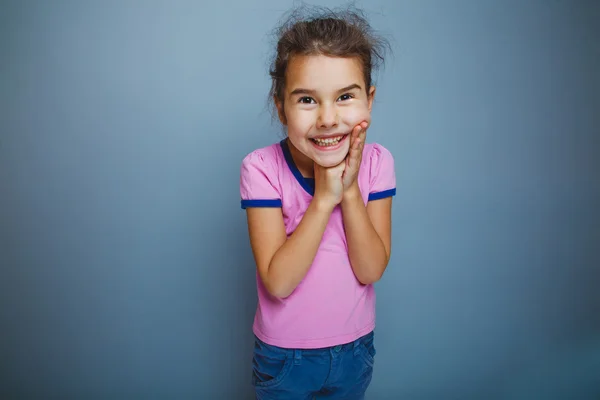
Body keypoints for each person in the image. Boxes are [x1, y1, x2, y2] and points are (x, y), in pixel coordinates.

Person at [239, 5, 395, 399]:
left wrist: (349, 190)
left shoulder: (378, 163)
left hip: (354, 350)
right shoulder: (261, 168)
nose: (328, 118)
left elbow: (371, 267)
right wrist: (324, 200)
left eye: (345, 96)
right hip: (285, 357)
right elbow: (278, 281)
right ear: (281, 107)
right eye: (307, 100)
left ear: (369, 100)